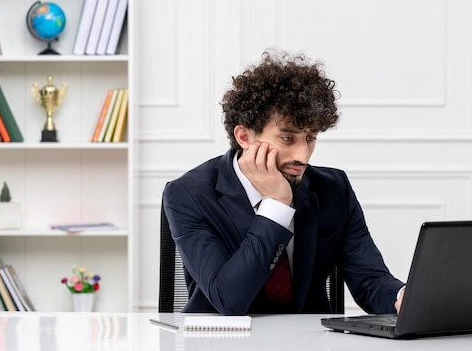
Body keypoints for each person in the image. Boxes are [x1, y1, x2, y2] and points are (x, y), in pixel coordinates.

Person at [162, 49, 405, 315]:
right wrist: (276, 206)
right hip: (223, 340)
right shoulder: (188, 194)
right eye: (288, 138)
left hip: (308, 341)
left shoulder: (334, 189)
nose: (303, 156)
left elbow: (370, 281)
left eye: (310, 138)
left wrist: (402, 297)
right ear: (244, 136)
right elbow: (228, 300)